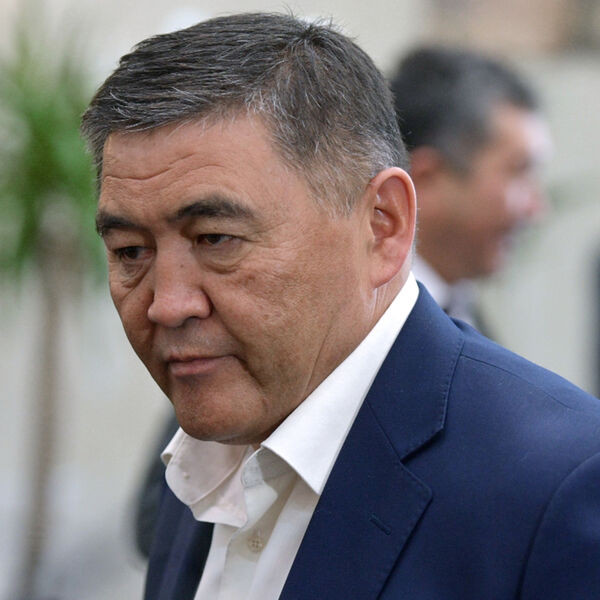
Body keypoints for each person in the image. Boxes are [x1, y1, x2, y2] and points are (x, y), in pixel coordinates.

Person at [81, 13, 600, 599]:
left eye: (216, 239)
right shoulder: (205, 452)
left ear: (383, 225)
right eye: (130, 251)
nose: (167, 305)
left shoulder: (560, 488)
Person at [390, 46, 552, 330]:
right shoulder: (360, 330)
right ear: (425, 178)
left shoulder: (465, 316)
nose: (536, 209)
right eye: (518, 172)